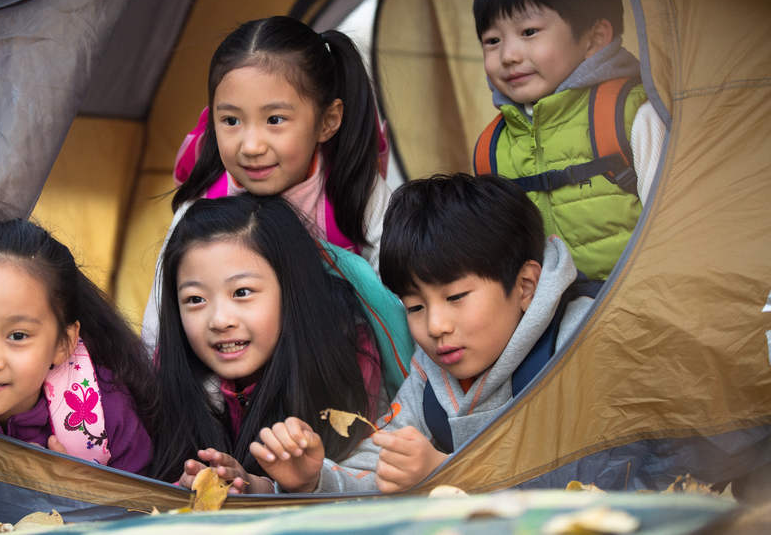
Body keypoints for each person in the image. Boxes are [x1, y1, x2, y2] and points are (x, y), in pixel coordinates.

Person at [248, 174, 596, 493]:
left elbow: (608, 473)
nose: (434, 327)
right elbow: (380, 465)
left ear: (525, 286)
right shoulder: (429, 378)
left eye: (456, 297)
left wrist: (445, 473)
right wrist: (315, 479)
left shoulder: (582, 343)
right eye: (415, 307)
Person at [141, 15, 392, 350]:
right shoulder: (202, 209)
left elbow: (397, 309)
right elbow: (158, 328)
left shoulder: (356, 194)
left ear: (327, 121)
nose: (251, 146)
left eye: (275, 119)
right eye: (231, 120)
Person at [149, 194, 382, 491]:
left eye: (242, 292)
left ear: (291, 290)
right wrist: (182, 491)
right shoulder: (166, 378)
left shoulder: (344, 357)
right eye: (195, 299)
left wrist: (302, 483)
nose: (220, 320)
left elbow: (371, 476)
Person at [471, 0, 666, 281]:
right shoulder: (492, 147)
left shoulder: (629, 115)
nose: (508, 55)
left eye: (529, 31)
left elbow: (675, 227)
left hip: (642, 310)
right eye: (492, 40)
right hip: (552, 324)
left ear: (593, 40)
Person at [0, 218, 156, 475]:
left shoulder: (109, 411)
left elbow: (142, 506)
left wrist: (77, 491)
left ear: (64, 343)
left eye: (17, 336)